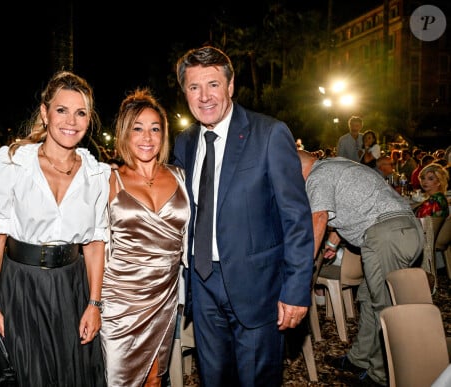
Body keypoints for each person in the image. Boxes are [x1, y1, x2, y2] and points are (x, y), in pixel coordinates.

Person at [172, 46, 314, 386]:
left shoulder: (269, 134)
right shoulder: (184, 143)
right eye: (194, 87)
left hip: (258, 286)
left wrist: (296, 290)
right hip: (202, 284)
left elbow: (296, 217)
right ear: (184, 93)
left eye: (213, 84)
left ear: (231, 86)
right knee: (213, 378)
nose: (204, 96)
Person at [0, 70, 109, 386]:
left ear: (89, 120)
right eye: (62, 110)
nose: (71, 121)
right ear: (44, 113)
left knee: (70, 374)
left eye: (80, 113)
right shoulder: (11, 163)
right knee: (27, 374)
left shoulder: (96, 174)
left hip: (71, 289)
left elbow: (94, 244)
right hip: (22, 286)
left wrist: (94, 304)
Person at [297, 150, 425, 386]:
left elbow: (319, 218)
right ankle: (360, 358)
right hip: (399, 229)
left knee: (384, 308)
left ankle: (381, 376)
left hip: (386, 234)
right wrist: (332, 244)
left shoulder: (317, 176)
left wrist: (302, 265)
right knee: (368, 299)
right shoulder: (335, 165)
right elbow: (345, 209)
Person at [100, 88, 190, 387]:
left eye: (155, 129)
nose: (147, 137)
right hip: (119, 300)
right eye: (138, 129)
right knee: (118, 380)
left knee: (155, 378)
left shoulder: (181, 177)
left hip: (164, 294)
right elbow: (94, 244)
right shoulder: (109, 179)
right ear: (125, 134)